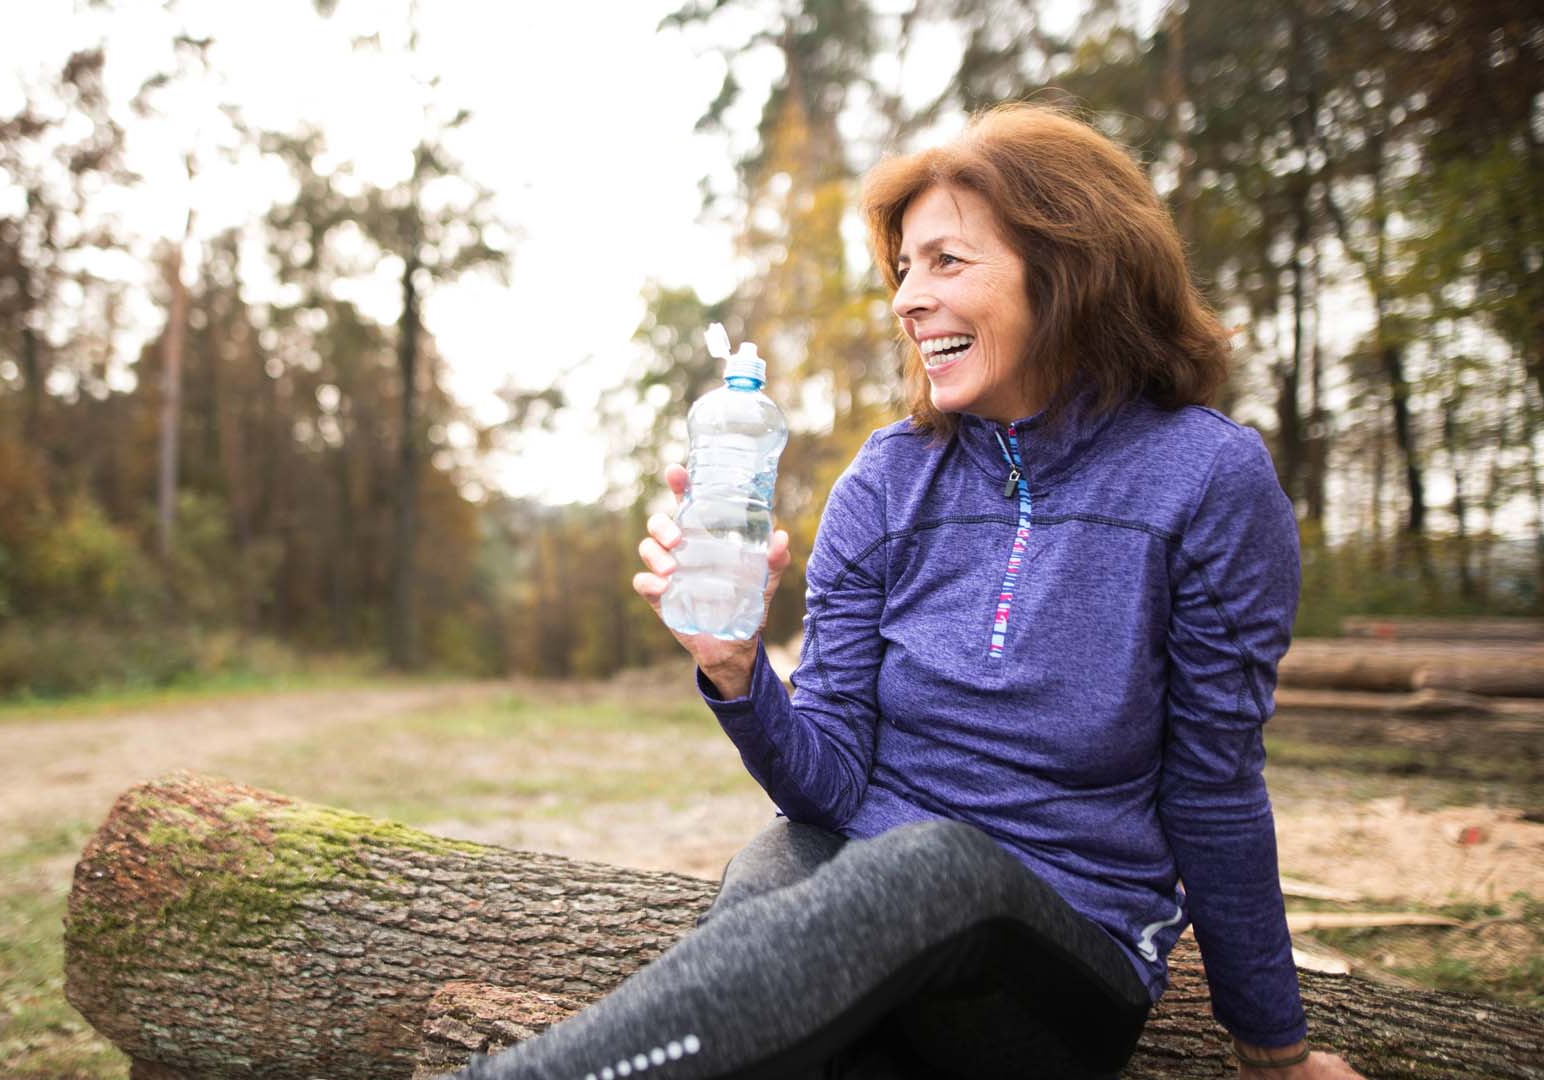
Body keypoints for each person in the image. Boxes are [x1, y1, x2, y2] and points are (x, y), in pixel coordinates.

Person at [454, 103, 1366, 1080]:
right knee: (781, 859)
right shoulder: (886, 481)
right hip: (872, 914)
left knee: (930, 864)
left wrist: (1276, 1050)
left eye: (947, 263)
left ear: (1069, 268)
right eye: (903, 271)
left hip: (1060, 957)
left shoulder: (1207, 482)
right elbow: (830, 779)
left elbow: (1214, 788)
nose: (907, 300)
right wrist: (733, 669)